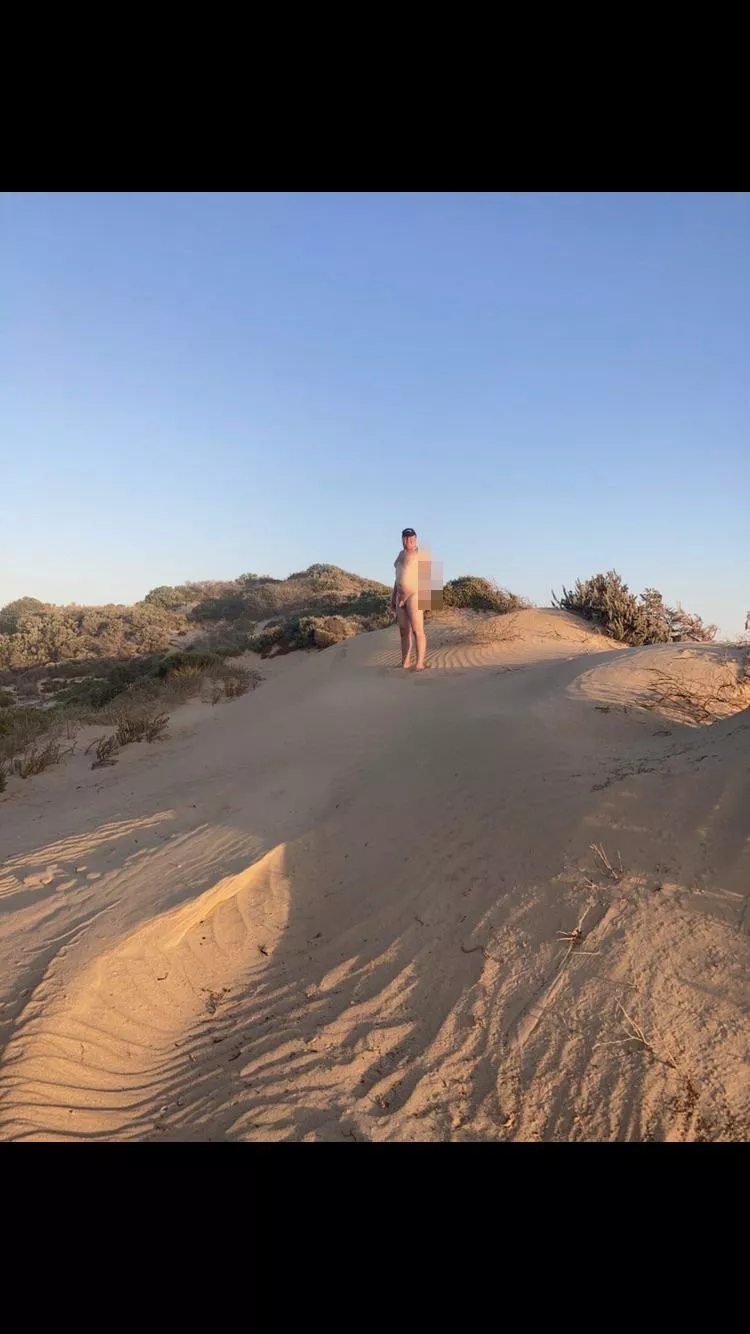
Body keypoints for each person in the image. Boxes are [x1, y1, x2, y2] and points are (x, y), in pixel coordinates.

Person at [391, 527, 428, 670]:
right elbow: (397, 578)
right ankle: (405, 662)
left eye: (411, 537)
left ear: (416, 539)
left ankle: (419, 663)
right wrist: (393, 597)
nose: (409, 540)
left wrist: (428, 600)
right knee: (403, 631)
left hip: (415, 595)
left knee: (417, 630)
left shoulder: (422, 554)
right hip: (400, 597)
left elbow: (430, 576)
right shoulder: (400, 554)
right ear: (402, 539)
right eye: (406, 537)